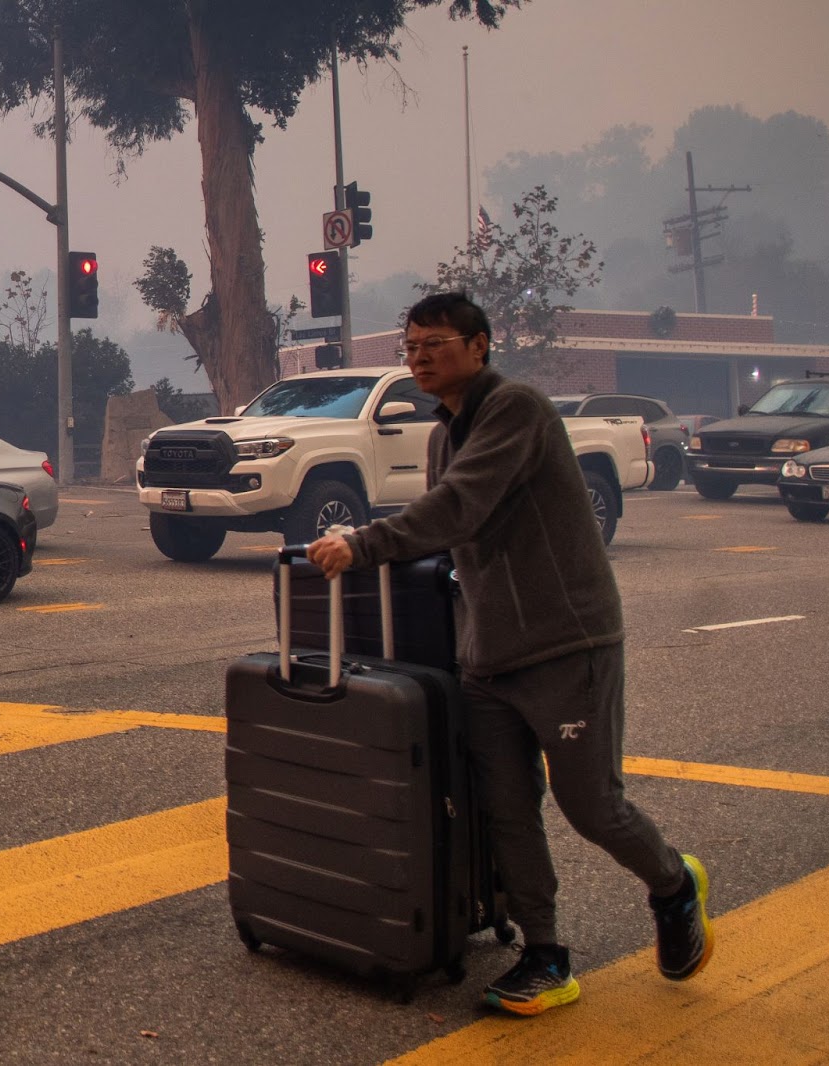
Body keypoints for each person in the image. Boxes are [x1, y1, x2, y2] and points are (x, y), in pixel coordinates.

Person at [305, 292, 712, 1017]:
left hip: (566, 643)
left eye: (435, 343)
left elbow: (462, 505)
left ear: (480, 345)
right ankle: (546, 954)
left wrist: (363, 544)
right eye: (411, 346)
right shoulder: (441, 433)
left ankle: (675, 885)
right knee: (507, 810)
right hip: (488, 654)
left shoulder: (516, 410)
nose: (420, 357)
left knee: (593, 808)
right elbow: (456, 533)